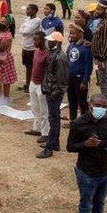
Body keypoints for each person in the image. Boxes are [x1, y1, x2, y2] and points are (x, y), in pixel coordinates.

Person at [38, 31, 69, 159]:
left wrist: (56, 92)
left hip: (54, 92)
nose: (47, 42)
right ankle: (54, 143)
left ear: (57, 42)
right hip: (51, 90)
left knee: (53, 120)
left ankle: (49, 148)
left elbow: (63, 79)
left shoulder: (60, 57)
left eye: (50, 40)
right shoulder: (53, 54)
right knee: (54, 118)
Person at [25, 32, 49, 141]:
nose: (34, 42)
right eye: (33, 40)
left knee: (44, 110)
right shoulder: (36, 51)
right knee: (35, 108)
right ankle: (37, 128)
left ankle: (45, 133)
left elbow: (48, 72)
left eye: (37, 40)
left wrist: (44, 84)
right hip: (33, 83)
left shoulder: (47, 54)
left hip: (41, 85)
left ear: (43, 40)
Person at [66, 24, 93, 121]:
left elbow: (89, 66)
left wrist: (85, 81)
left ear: (80, 34)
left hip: (80, 79)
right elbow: (67, 61)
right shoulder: (70, 46)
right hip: (70, 78)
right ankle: (73, 121)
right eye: (70, 33)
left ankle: (84, 122)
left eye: (73, 34)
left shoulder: (86, 47)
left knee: (82, 102)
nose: (71, 35)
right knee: (72, 101)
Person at [18, 4, 42, 92]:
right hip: (25, 46)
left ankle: (29, 85)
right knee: (27, 67)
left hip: (31, 48)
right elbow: (21, 30)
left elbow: (27, 31)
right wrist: (24, 30)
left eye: (28, 10)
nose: (26, 11)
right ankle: (27, 84)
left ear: (34, 11)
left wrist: (25, 30)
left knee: (31, 68)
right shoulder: (27, 19)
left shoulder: (37, 21)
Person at [0, 19, 16, 97]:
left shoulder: (8, 35)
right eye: (1, 21)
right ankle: (2, 99)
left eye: (3, 22)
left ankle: (2, 99)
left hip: (5, 59)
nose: (1, 23)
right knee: (1, 79)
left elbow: (3, 48)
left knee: (3, 80)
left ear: (8, 25)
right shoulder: (0, 33)